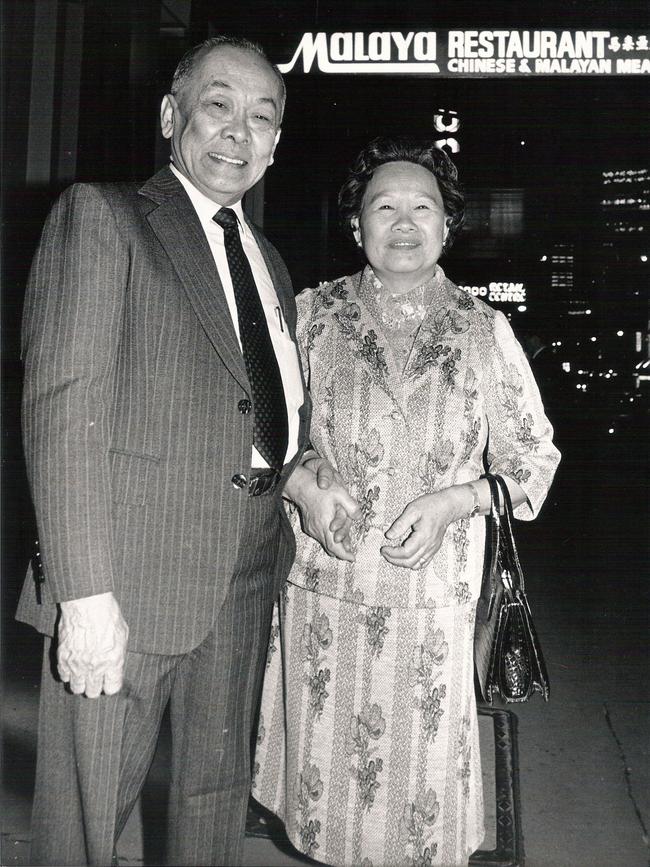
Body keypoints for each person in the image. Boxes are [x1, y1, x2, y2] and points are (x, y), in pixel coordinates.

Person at [17, 35, 359, 867]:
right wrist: (85, 594)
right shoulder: (103, 218)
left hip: (242, 573)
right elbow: (63, 413)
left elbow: (260, 409)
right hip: (125, 584)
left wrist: (301, 479)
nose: (238, 133)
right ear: (172, 116)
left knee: (211, 801)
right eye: (218, 106)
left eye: (261, 117)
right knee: (87, 822)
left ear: (276, 144)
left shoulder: (269, 263)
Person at [253, 137, 561, 867]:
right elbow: (258, 432)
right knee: (325, 814)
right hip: (327, 604)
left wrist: (459, 498)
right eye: (382, 206)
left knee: (416, 825)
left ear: (447, 227)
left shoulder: (483, 330)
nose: (402, 221)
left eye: (421, 207)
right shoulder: (309, 317)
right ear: (355, 226)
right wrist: (300, 476)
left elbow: (533, 462)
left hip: (432, 614)